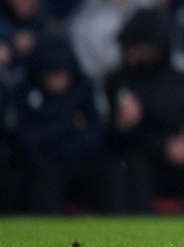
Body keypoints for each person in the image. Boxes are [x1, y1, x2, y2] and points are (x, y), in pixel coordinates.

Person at [105, 9, 184, 213]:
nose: (135, 53)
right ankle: (135, 240)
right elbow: (105, 139)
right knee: (124, 170)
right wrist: (121, 126)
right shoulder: (116, 79)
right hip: (143, 163)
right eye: (132, 46)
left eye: (142, 46)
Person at [13, 35, 123, 213]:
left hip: (81, 161)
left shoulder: (83, 86)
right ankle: (46, 236)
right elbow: (26, 140)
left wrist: (53, 135)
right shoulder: (26, 90)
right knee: (43, 174)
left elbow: (96, 135)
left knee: (110, 170)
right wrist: (69, 124)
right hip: (45, 166)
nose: (58, 79)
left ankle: (119, 230)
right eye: (52, 73)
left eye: (62, 73)